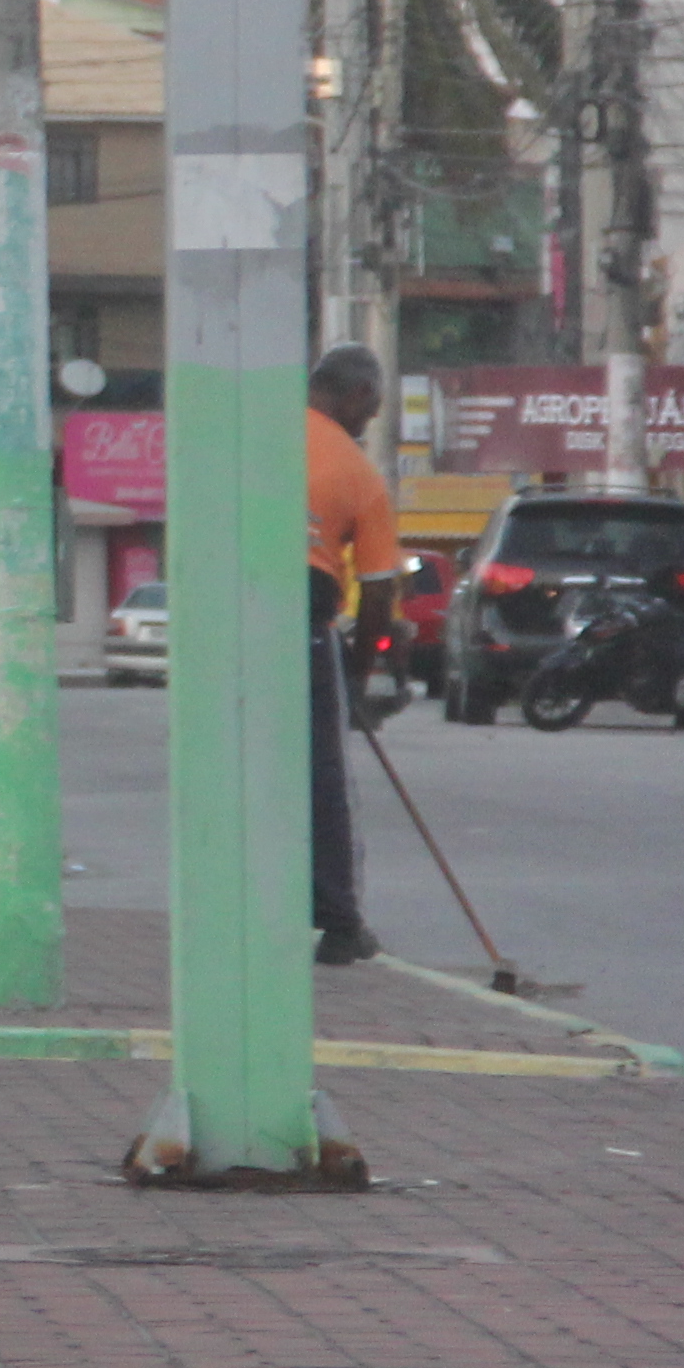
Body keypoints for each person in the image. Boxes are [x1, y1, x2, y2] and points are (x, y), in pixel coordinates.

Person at [306, 344, 394, 964]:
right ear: (359, 395)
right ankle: (339, 924)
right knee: (322, 776)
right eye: (373, 410)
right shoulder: (357, 470)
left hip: (225, 614)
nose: (369, 424)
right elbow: (381, 592)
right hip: (302, 619)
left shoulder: (253, 433)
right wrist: (359, 680)